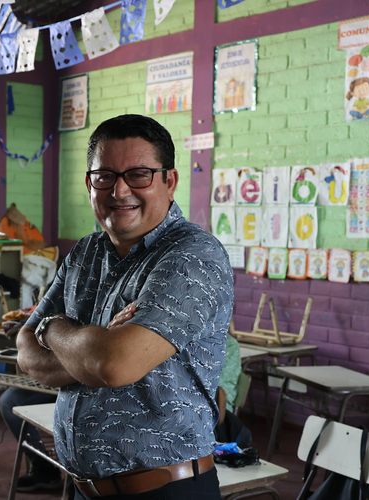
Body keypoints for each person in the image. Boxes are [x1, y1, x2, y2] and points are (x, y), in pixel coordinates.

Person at [16, 114, 234, 499]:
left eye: (139, 175)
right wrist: (93, 349)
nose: (119, 190)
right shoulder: (85, 253)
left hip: (165, 489)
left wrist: (53, 328)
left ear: (169, 182)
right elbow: (26, 353)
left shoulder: (192, 256)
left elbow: (114, 365)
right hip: (85, 486)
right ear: (89, 184)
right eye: (105, 176)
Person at [0, 387, 61, 491]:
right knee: (8, 401)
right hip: (50, 380)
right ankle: (44, 470)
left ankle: (80, 481)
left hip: (80, 383)